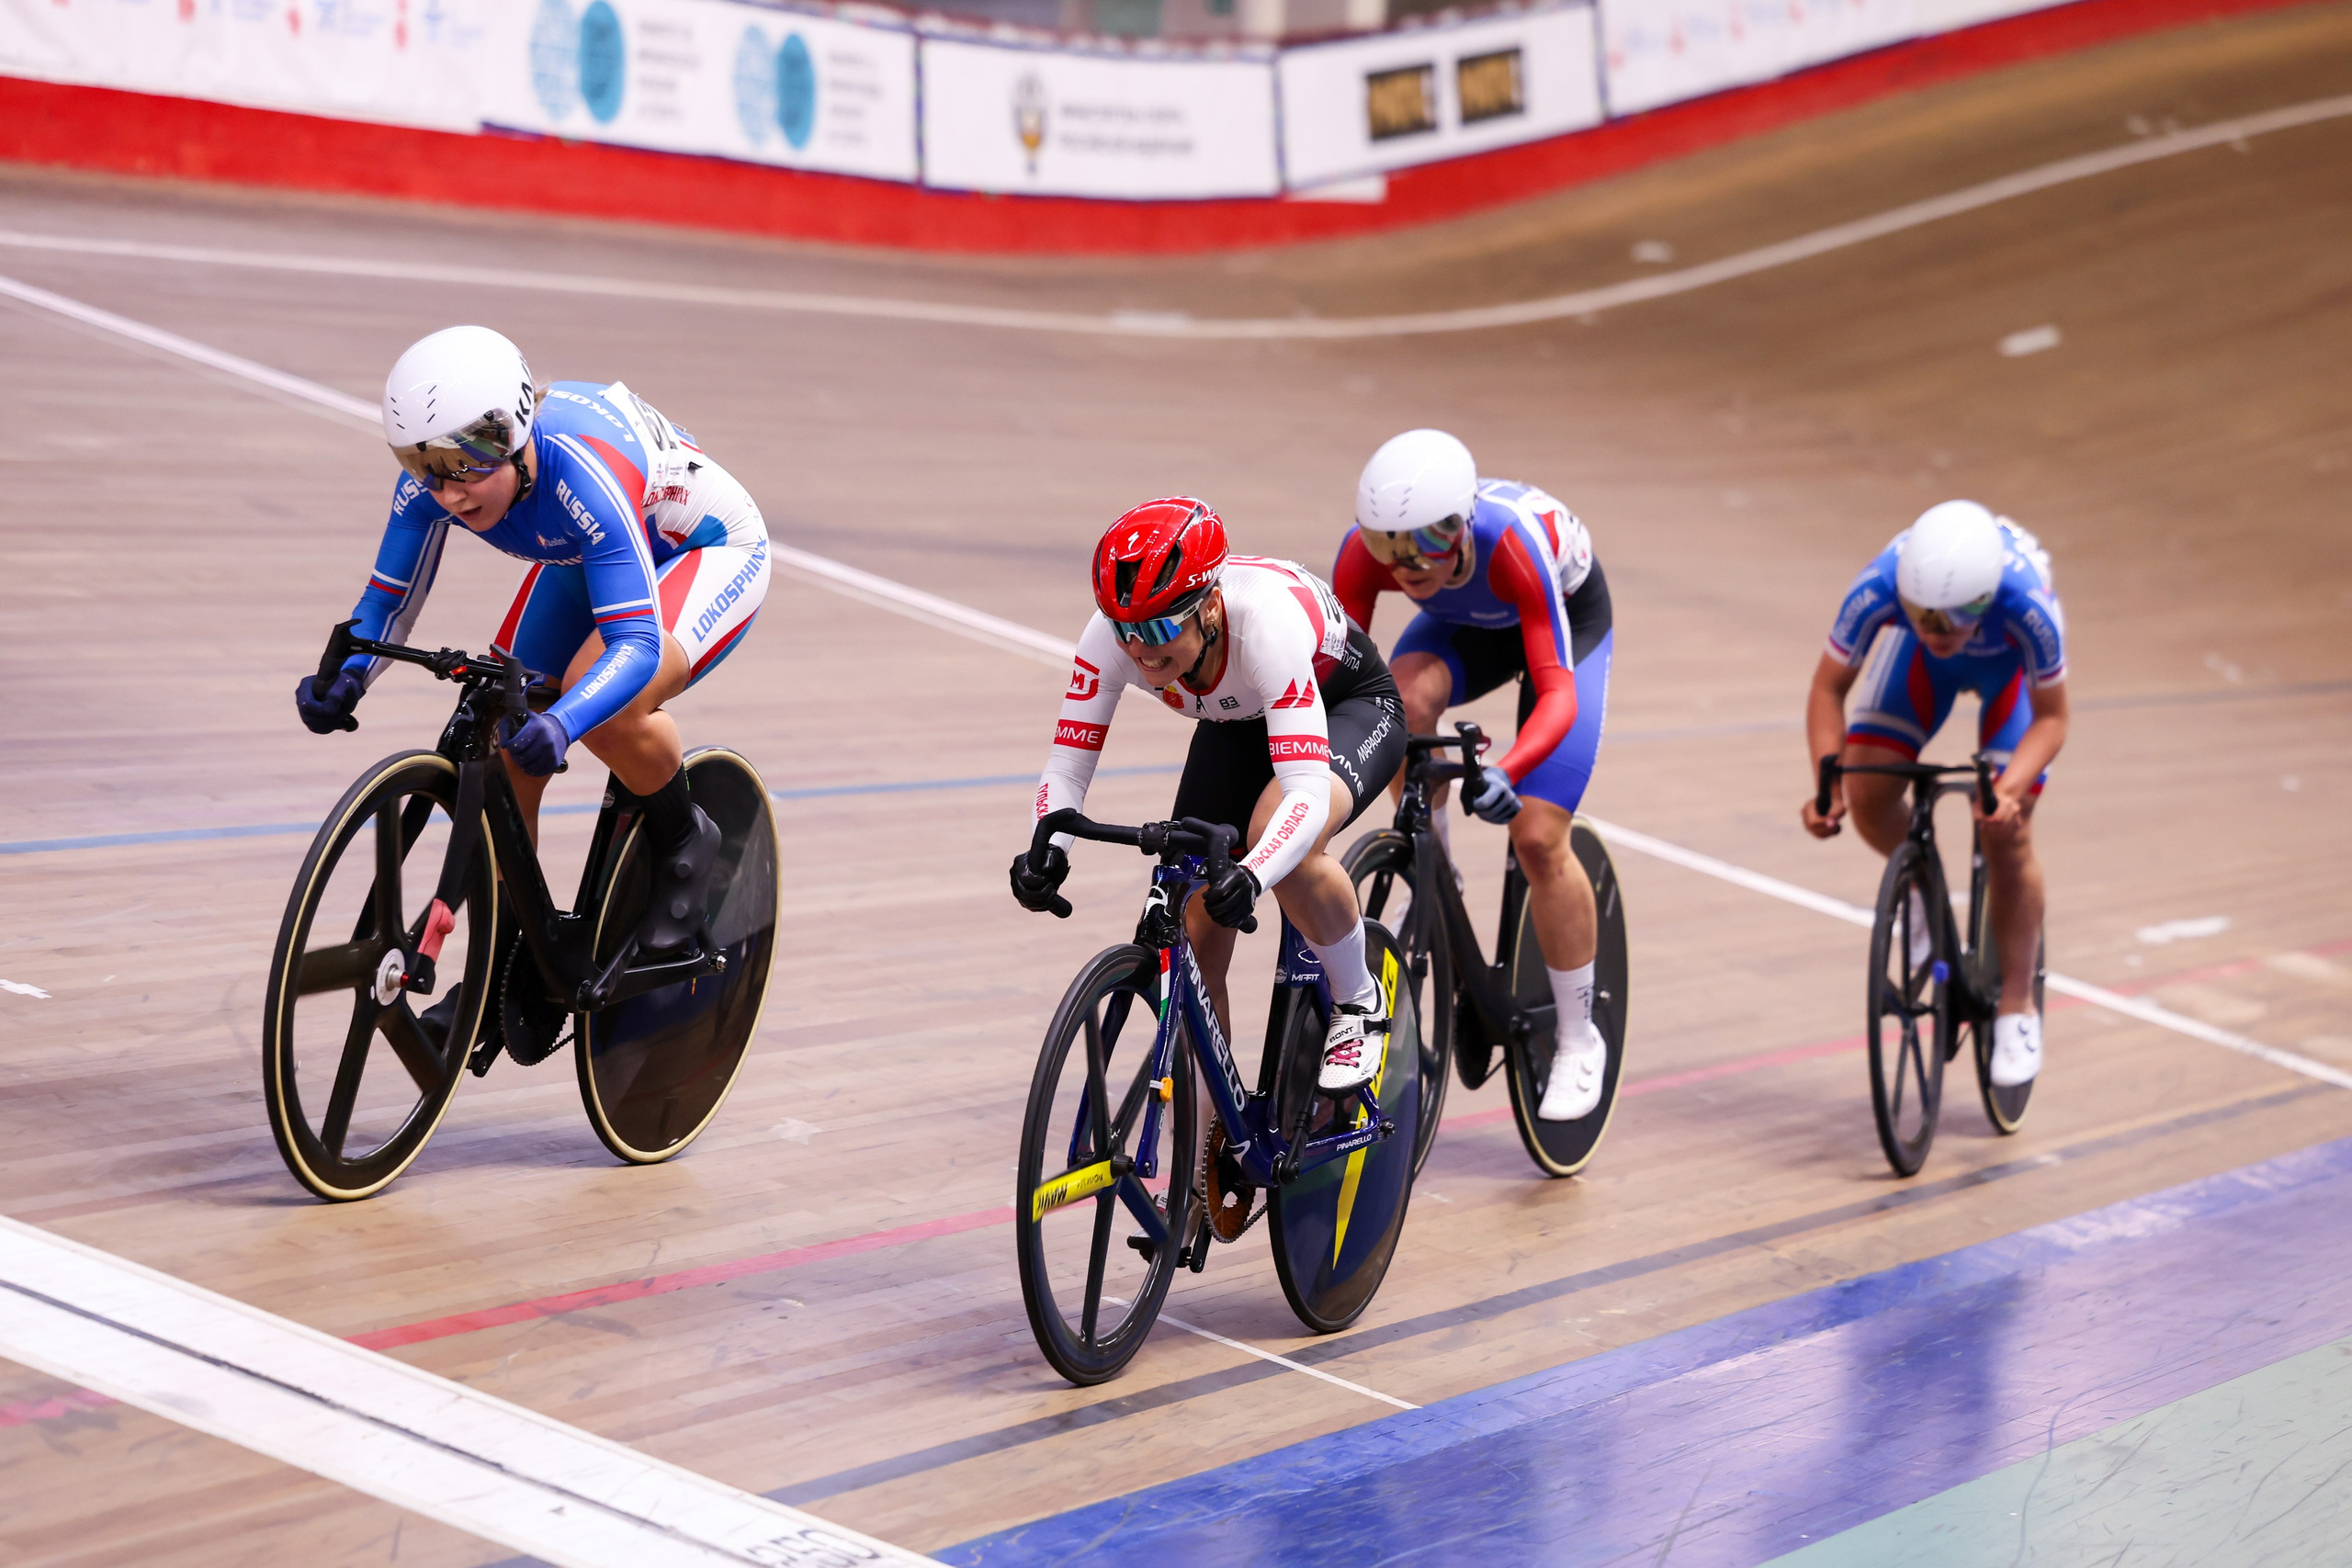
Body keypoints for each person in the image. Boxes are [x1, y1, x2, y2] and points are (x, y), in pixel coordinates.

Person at [297, 324, 770, 959]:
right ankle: (502, 971)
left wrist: (567, 723)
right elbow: (387, 604)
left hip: (705, 548)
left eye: (465, 465)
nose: (449, 492)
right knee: (503, 736)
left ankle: (686, 836)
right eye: (424, 465)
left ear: (513, 437)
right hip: (590, 556)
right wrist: (349, 676)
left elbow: (635, 646)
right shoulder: (438, 485)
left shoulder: (586, 479)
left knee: (597, 701)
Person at [1010, 498, 1408, 1095]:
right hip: (1241, 718)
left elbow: (1303, 793)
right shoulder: (1113, 635)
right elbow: (1068, 765)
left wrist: (1252, 876)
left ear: (1212, 608)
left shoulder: (1265, 624)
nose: (1140, 651)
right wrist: (1051, 845)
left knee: (1283, 839)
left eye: (1159, 629)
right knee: (1188, 934)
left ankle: (1359, 999)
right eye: (1127, 629)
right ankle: (1218, 1136)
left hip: (1348, 703)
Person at [1331, 429, 1614, 1122]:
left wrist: (1507, 770)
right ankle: (1437, 866)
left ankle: (1580, 1037)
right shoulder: (1368, 557)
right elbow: (1337, 676)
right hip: (1466, 625)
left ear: (1461, 526)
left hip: (1561, 619)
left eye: (1426, 542)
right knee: (1397, 702)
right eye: (1385, 546)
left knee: (1538, 837)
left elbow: (1557, 695)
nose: (1404, 564)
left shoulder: (1511, 545)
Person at [1801, 500, 2069, 1088]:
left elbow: (2051, 719)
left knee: (2006, 831)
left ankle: (2017, 1007)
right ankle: (1923, 896)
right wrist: (1826, 782)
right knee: (1867, 789)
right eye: (1921, 614)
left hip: (2012, 676)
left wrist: (2009, 789)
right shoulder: (1879, 585)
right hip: (1920, 671)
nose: (1936, 630)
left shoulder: (2026, 601)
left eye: (1952, 617)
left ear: (1985, 598)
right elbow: (1829, 688)